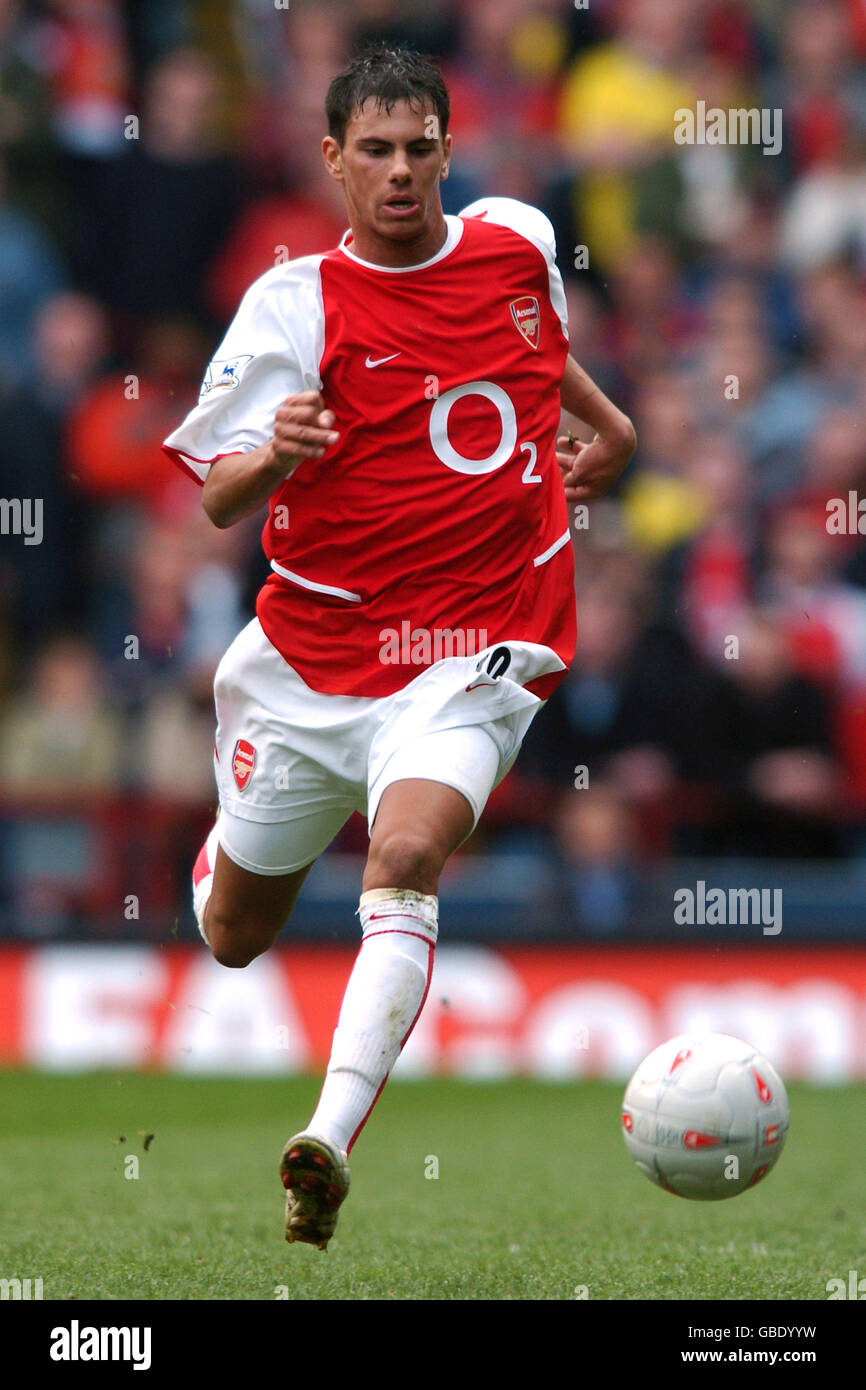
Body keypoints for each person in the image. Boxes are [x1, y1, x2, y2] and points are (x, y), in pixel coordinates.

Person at [163, 45, 635, 1251]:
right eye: (372, 150)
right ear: (332, 159)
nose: (399, 171)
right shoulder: (292, 304)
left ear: (446, 146)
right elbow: (218, 500)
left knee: (410, 849)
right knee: (232, 937)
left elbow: (531, 357)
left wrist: (610, 429)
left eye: (419, 146)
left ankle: (323, 1142)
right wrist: (278, 450)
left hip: (475, 648)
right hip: (313, 659)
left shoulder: (518, 244)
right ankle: (233, 844)